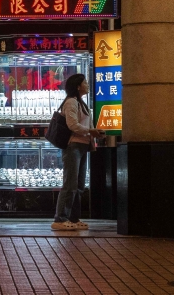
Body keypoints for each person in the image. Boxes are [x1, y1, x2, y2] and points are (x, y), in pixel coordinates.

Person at [52, 73, 103, 231]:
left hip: (82, 146)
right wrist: (90, 131)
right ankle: (60, 219)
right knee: (70, 184)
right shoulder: (71, 102)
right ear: (78, 86)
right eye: (85, 83)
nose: (87, 85)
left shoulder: (81, 103)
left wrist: (92, 133)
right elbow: (72, 125)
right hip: (73, 146)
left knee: (79, 185)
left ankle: (73, 218)